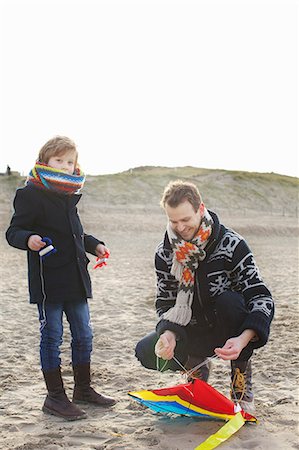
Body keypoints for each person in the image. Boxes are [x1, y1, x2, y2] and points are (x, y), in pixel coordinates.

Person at [135, 180, 274, 413]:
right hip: (193, 328)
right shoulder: (164, 253)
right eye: (173, 221)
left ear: (200, 209)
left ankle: (240, 380)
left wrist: (243, 339)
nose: (180, 228)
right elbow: (165, 302)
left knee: (229, 301)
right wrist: (168, 334)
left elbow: (261, 297)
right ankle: (195, 367)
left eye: (186, 220)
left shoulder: (232, 244)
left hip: (230, 328)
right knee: (145, 351)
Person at [6, 136, 116, 421]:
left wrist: (95, 245)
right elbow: (13, 232)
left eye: (70, 162)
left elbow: (74, 232)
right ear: (45, 161)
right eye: (59, 161)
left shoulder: (68, 193)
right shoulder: (30, 193)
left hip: (76, 277)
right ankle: (55, 397)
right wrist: (28, 239)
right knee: (52, 336)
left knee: (84, 334)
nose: (66, 166)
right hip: (48, 279)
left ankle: (83, 389)